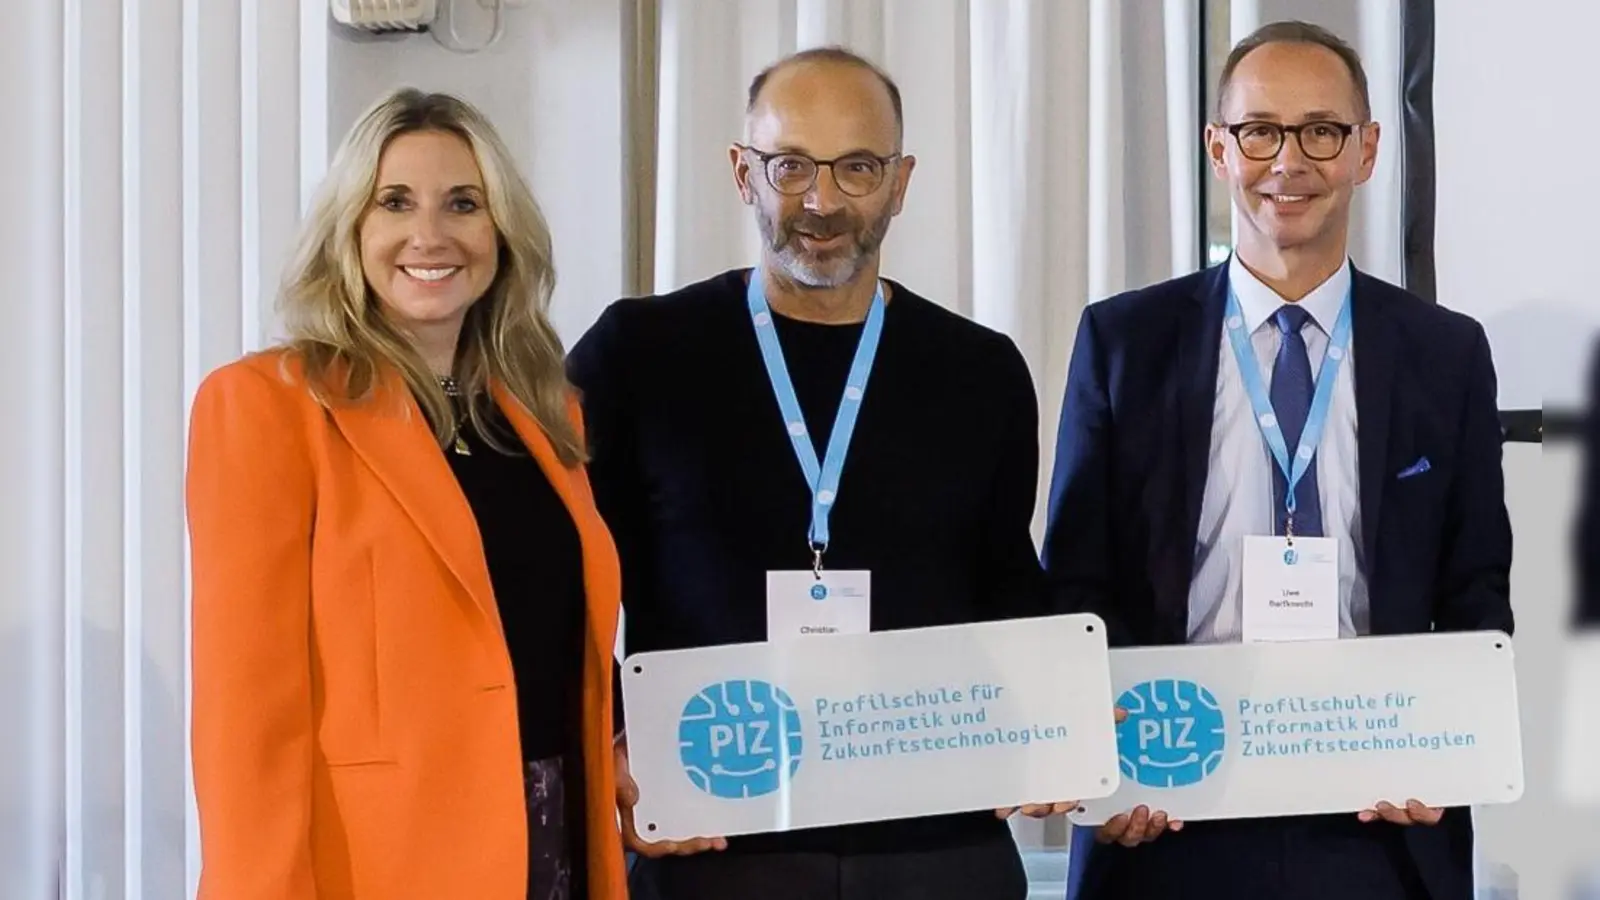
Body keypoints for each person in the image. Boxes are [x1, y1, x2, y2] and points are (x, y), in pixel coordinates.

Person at [568, 47, 1065, 900]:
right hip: (713, 841)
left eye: (858, 168)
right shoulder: (638, 354)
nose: (822, 201)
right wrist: (608, 732)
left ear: (901, 181)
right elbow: (561, 575)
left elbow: (1005, 588)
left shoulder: (979, 370)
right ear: (742, 172)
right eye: (790, 165)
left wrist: (1063, 722)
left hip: (936, 849)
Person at [1043, 21, 1513, 900]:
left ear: (1367, 150)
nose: (1287, 161)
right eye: (1259, 130)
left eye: (1321, 131)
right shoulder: (1124, 342)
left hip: (1376, 823)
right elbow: (1075, 586)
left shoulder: (1445, 354)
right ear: (1220, 148)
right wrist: (1099, 769)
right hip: (1171, 816)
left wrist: (1457, 749)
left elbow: (1477, 586)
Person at [185, 88, 627, 899]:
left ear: (500, 231)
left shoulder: (544, 413)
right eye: (395, 202)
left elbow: (559, 640)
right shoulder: (267, 405)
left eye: (464, 203)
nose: (431, 235)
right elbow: (245, 718)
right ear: (351, 228)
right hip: (380, 860)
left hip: (553, 833)